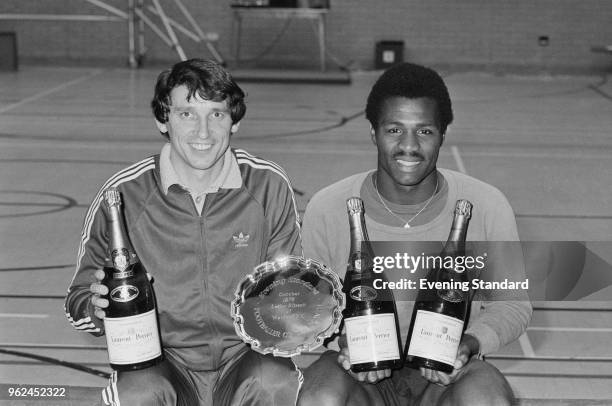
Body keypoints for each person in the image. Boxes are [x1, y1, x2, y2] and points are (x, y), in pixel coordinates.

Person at [64, 58, 303, 406]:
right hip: (160, 362)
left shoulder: (267, 185)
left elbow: (289, 286)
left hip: (245, 358)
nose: (203, 132)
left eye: (216, 114)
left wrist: (300, 308)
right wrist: (95, 309)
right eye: (187, 114)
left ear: (234, 122)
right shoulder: (124, 196)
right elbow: (76, 300)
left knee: (276, 383)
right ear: (163, 120)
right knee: (138, 394)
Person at [297, 63, 532, 406]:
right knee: (320, 398)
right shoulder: (327, 207)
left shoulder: (487, 205)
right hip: (358, 374)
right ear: (373, 133)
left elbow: (512, 305)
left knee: (488, 399)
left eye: (424, 131)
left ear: (443, 136)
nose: (409, 146)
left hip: (448, 376)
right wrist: (341, 343)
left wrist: (469, 345)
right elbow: (312, 309)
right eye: (394, 130)